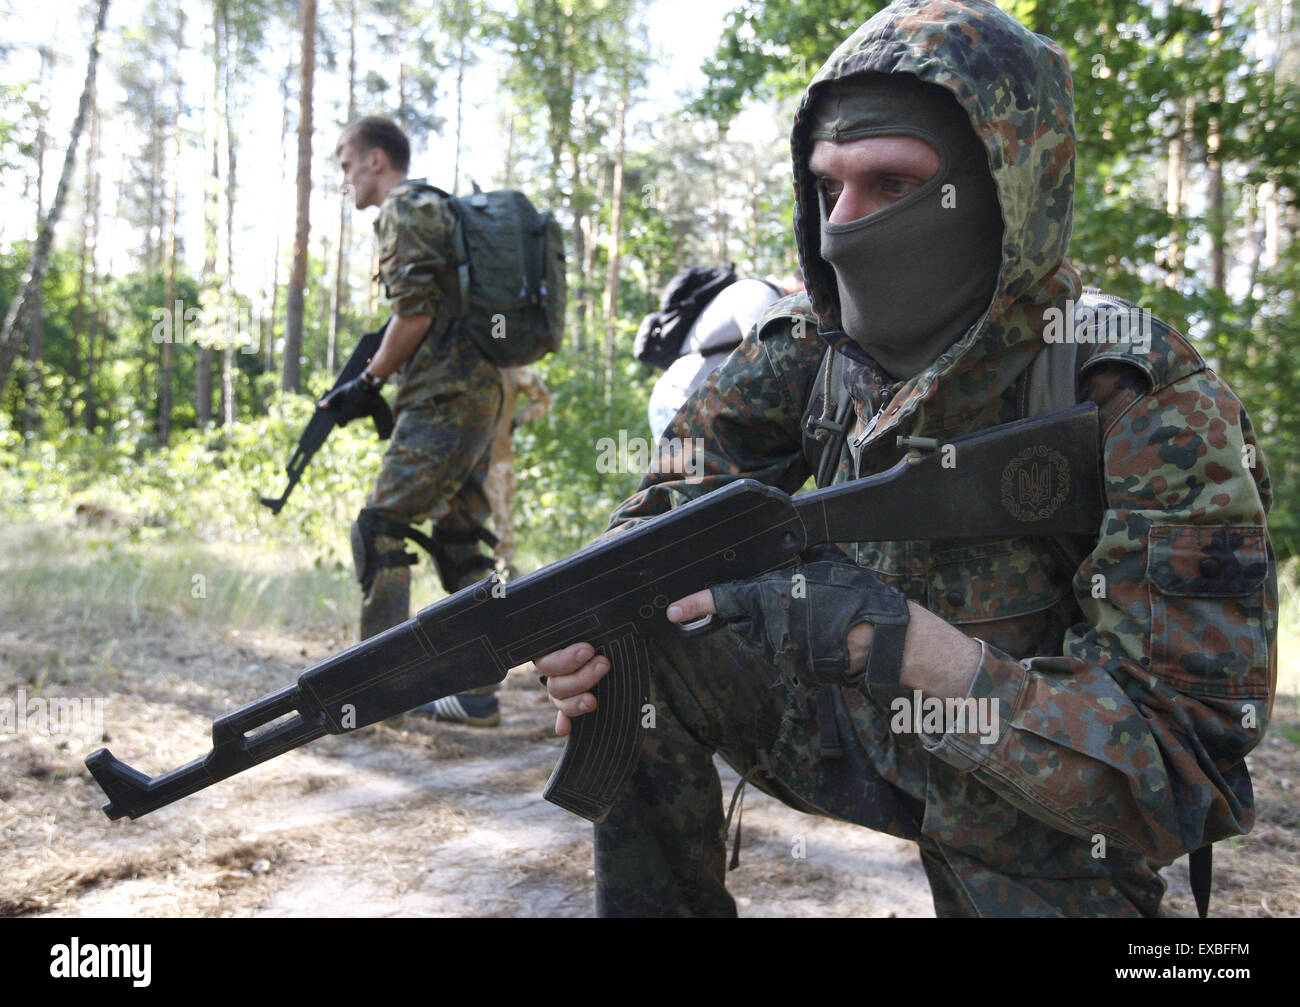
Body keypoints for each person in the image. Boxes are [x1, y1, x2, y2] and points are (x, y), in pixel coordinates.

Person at [539, 0, 1277, 916]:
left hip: (1038, 799)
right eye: (829, 186)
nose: (845, 223)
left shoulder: (1141, 398)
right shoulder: (813, 342)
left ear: (1004, 188)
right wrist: (582, 614)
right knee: (631, 634)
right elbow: (671, 500)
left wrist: (902, 645)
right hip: (849, 727)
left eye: (892, 184)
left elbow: (1182, 768)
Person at [327, 115, 503, 727]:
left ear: (377, 159)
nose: (345, 178)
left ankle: (380, 690)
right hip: (475, 393)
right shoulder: (436, 206)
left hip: (444, 397)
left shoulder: (405, 208)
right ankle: (478, 692)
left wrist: (368, 381)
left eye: (347, 164)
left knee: (379, 526)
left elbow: (415, 316)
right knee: (459, 540)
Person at [646, 274, 797, 441]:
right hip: (678, 404)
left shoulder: (759, 291)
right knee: (687, 467)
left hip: (700, 409)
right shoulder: (759, 293)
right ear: (805, 288)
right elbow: (772, 363)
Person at [486, 365, 552, 578]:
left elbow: (542, 399)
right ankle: (496, 569)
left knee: (501, 514)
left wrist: (517, 421)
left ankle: (501, 569)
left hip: (496, 456)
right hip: (481, 457)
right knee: (497, 516)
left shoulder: (508, 367)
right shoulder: (508, 365)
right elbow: (542, 399)